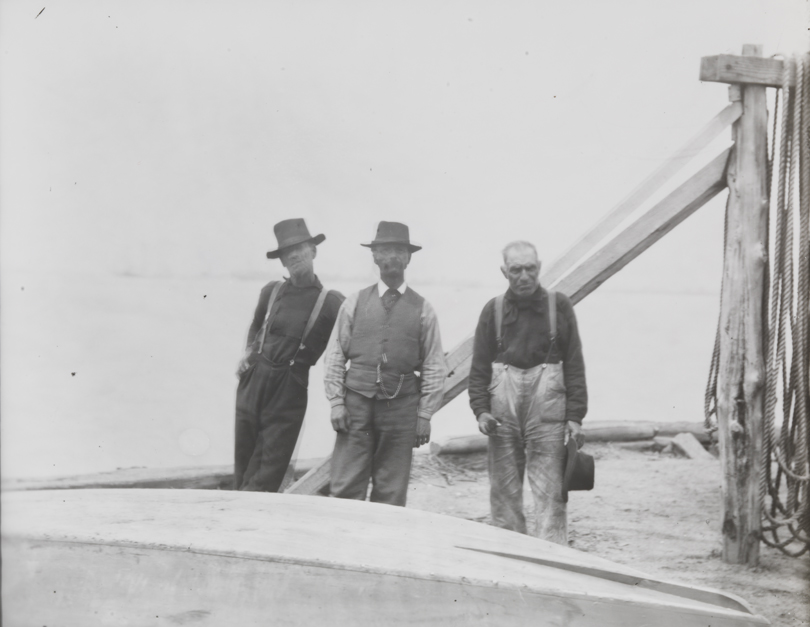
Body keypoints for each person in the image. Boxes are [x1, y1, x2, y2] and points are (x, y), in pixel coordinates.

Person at [468, 240, 587, 543]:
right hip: (501, 415)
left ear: (539, 267)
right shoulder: (491, 310)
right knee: (504, 493)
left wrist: (575, 416)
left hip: (547, 414)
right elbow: (479, 368)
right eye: (516, 270)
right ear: (504, 271)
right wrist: (481, 411)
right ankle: (510, 562)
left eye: (530, 269)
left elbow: (574, 363)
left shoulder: (559, 306)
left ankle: (552, 564)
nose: (523, 276)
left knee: (550, 493)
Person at [324, 221, 446, 507]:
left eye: (398, 251)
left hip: (401, 410)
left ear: (408, 258)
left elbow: (434, 365)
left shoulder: (424, 309)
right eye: (385, 250)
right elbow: (335, 355)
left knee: (391, 493)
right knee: (344, 487)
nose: (391, 257)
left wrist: (425, 415)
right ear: (375, 257)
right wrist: (336, 402)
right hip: (355, 406)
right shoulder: (354, 303)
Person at [234, 218, 344, 492]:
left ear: (313, 251)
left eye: (300, 248)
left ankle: (249, 515)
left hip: (289, 388)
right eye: (286, 252)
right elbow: (256, 325)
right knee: (243, 463)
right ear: (282, 261)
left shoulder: (332, 303)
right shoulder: (271, 291)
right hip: (252, 383)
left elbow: (349, 345)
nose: (293, 255)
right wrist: (248, 352)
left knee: (268, 473)